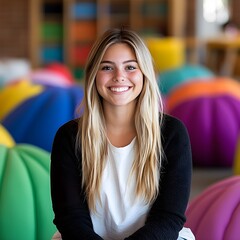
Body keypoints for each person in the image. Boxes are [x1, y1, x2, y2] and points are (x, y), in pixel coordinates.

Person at [50, 28, 195, 240]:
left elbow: (168, 217)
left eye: (130, 67)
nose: (119, 77)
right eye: (107, 67)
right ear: (93, 75)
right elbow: (70, 217)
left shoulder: (172, 133)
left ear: (145, 74)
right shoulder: (69, 137)